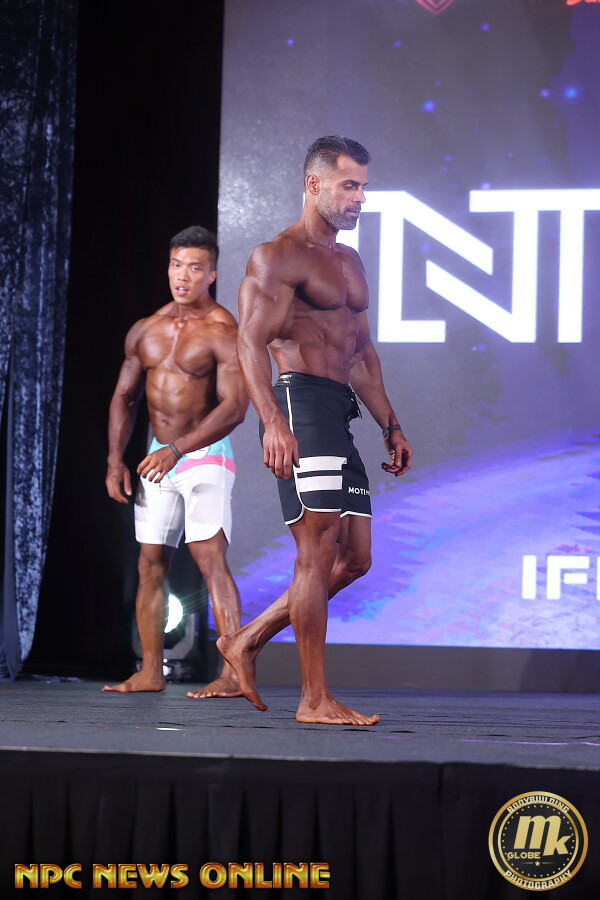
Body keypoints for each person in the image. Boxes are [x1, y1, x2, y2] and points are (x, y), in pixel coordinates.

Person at [218, 136, 412, 725]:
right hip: (299, 405)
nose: (360, 198)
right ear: (314, 184)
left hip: (338, 411)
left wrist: (390, 423)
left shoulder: (350, 262)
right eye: (349, 185)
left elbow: (361, 354)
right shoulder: (277, 256)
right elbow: (249, 343)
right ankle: (313, 700)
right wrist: (273, 422)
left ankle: (246, 640)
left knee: (355, 559)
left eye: (364, 187)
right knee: (317, 551)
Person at [103, 225, 248, 696]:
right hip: (156, 457)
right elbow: (124, 397)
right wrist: (115, 460)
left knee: (210, 559)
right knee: (149, 564)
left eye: (194, 268)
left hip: (204, 454)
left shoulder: (224, 331)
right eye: (176, 265)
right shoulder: (146, 328)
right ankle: (151, 671)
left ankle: (232, 673)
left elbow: (235, 407)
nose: (182, 276)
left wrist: (178, 449)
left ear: (212, 274)